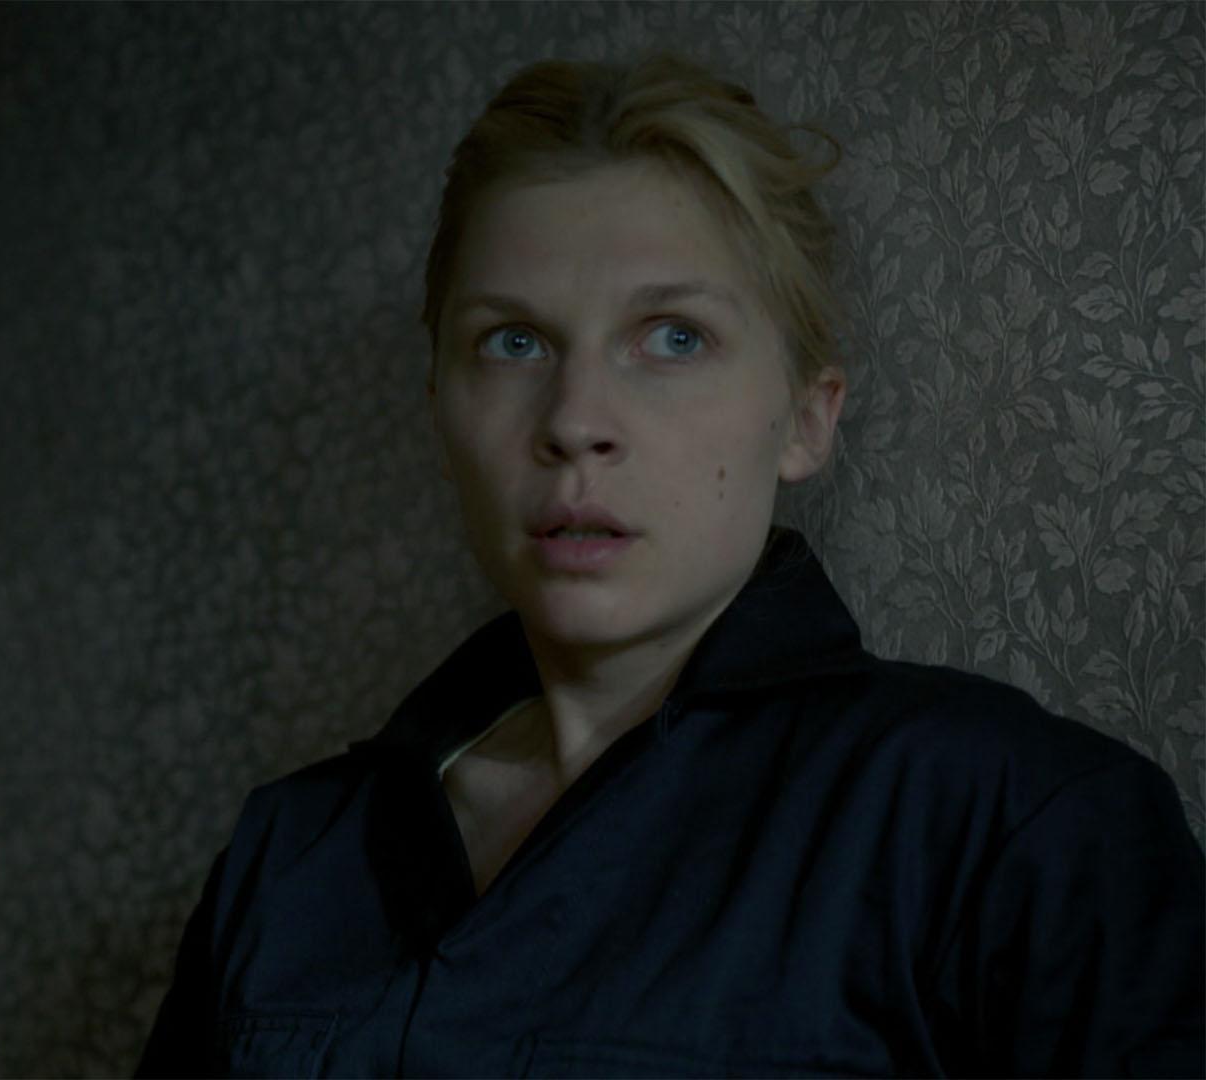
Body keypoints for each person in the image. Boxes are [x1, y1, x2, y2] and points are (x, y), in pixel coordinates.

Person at [137, 55, 1204, 1078]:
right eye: (513, 342)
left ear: (805, 418)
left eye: (674, 338)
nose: (575, 421)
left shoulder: (1010, 823)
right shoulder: (293, 852)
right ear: (438, 413)